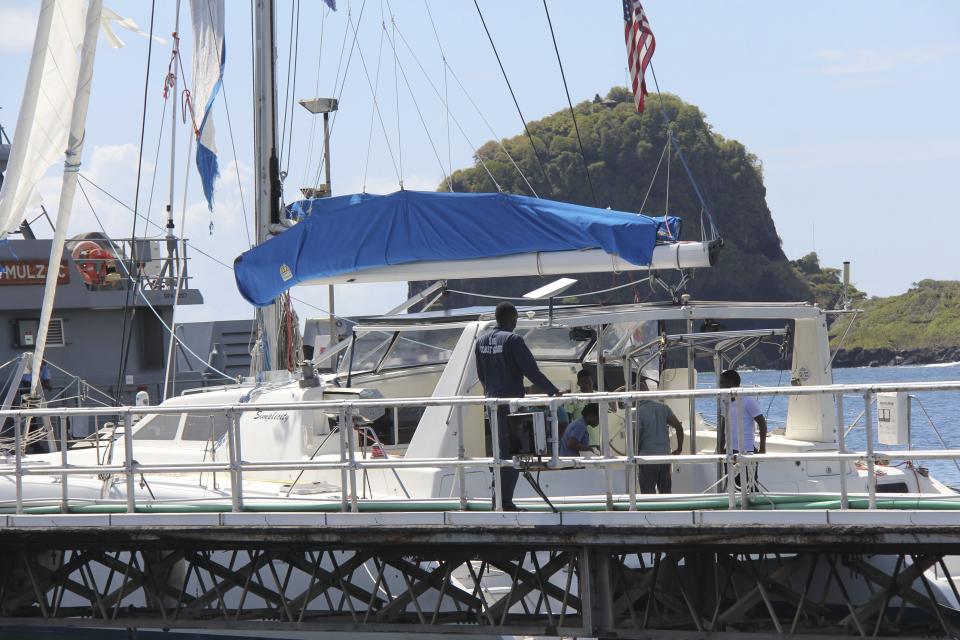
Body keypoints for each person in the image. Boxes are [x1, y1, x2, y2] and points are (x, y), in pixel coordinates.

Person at [475, 301, 562, 510]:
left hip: (491, 401)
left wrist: (490, 393)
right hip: (511, 405)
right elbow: (531, 372)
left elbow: (481, 375)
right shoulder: (513, 340)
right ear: (512, 317)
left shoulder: (481, 341)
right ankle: (505, 502)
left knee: (498, 451)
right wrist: (553, 391)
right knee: (512, 452)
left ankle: (497, 500)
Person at [717, 369, 767, 489]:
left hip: (747, 450)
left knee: (750, 486)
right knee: (733, 486)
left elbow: (762, 423)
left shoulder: (747, 400)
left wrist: (763, 448)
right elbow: (724, 424)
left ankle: (752, 507)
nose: (720, 386)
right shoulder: (724, 401)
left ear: (732, 384)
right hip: (730, 450)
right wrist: (720, 447)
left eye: (723, 383)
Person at [635, 380, 684, 494]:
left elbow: (636, 438)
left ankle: (650, 512)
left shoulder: (637, 413)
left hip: (647, 458)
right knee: (666, 493)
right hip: (665, 456)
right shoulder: (664, 408)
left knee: (648, 495)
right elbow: (679, 427)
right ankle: (666, 511)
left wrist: (635, 456)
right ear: (647, 392)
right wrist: (679, 449)